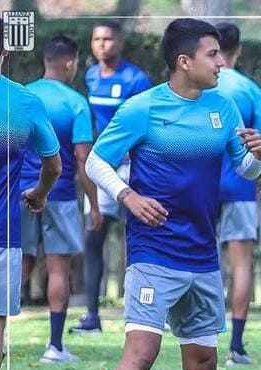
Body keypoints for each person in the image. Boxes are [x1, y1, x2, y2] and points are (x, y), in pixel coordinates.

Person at [83, 18, 261, 370]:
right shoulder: (142, 108)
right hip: (154, 249)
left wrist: (259, 155)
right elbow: (95, 161)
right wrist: (128, 197)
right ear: (185, 62)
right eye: (213, 54)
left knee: (203, 362)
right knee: (141, 352)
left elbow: (246, 170)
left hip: (203, 254)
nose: (222, 61)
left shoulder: (223, 107)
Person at [0, 9, 61, 370]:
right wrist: (38, 192)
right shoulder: (26, 102)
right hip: (2, 234)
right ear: (6, 47)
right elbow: (53, 164)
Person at [19, 36, 99, 364]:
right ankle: (54, 346)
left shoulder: (22, 96)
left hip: (20, 194)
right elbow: (83, 158)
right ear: (70, 63)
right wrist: (94, 204)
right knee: (58, 268)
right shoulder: (76, 102)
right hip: (61, 195)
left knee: (17, 265)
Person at [70, 20, 152, 335]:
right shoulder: (90, 76)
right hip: (102, 167)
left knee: (143, 236)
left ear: (119, 42)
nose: (102, 44)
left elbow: (147, 120)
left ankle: (148, 312)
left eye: (108, 38)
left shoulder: (136, 79)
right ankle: (92, 315)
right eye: (96, 39)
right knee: (94, 236)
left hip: (132, 168)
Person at [214, 22, 261, 366]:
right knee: (241, 266)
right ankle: (236, 347)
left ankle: (200, 339)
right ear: (237, 50)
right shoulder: (248, 88)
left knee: (202, 262)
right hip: (240, 186)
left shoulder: (195, 84)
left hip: (201, 189)